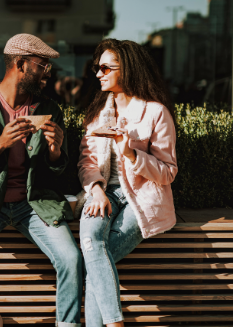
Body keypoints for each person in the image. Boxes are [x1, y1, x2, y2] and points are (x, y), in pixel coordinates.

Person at [0, 34, 83, 327]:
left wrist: (55, 152)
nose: (48, 73)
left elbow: (57, 170)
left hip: (34, 203)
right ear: (20, 64)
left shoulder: (48, 108)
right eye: (42, 66)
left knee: (71, 260)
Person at [76, 38, 178, 327]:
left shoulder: (156, 112)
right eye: (97, 67)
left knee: (93, 260)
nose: (99, 73)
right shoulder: (98, 114)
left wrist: (131, 153)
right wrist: (95, 189)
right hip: (102, 192)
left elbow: (168, 172)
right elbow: (86, 163)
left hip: (143, 196)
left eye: (106, 67)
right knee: (90, 242)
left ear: (128, 69)